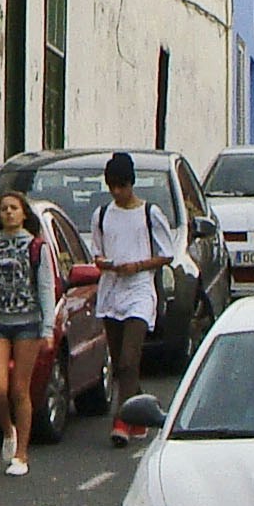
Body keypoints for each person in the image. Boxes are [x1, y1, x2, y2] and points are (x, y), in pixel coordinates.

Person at [86, 153, 178, 448]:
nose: (117, 192)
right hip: (112, 290)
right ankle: (141, 410)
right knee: (120, 361)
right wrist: (107, 264)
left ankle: (122, 420)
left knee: (129, 358)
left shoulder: (149, 214)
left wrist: (137, 266)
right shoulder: (102, 215)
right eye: (112, 186)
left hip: (139, 290)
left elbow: (166, 253)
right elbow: (96, 253)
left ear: (131, 184)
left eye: (122, 186)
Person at [0, 191, 56, 478]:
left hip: (27, 323)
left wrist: (48, 329)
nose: (8, 213)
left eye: (14, 208)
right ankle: (8, 430)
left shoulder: (36, 247)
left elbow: (45, 288)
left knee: (20, 389)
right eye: (4, 209)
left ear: (23, 214)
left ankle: (21, 453)